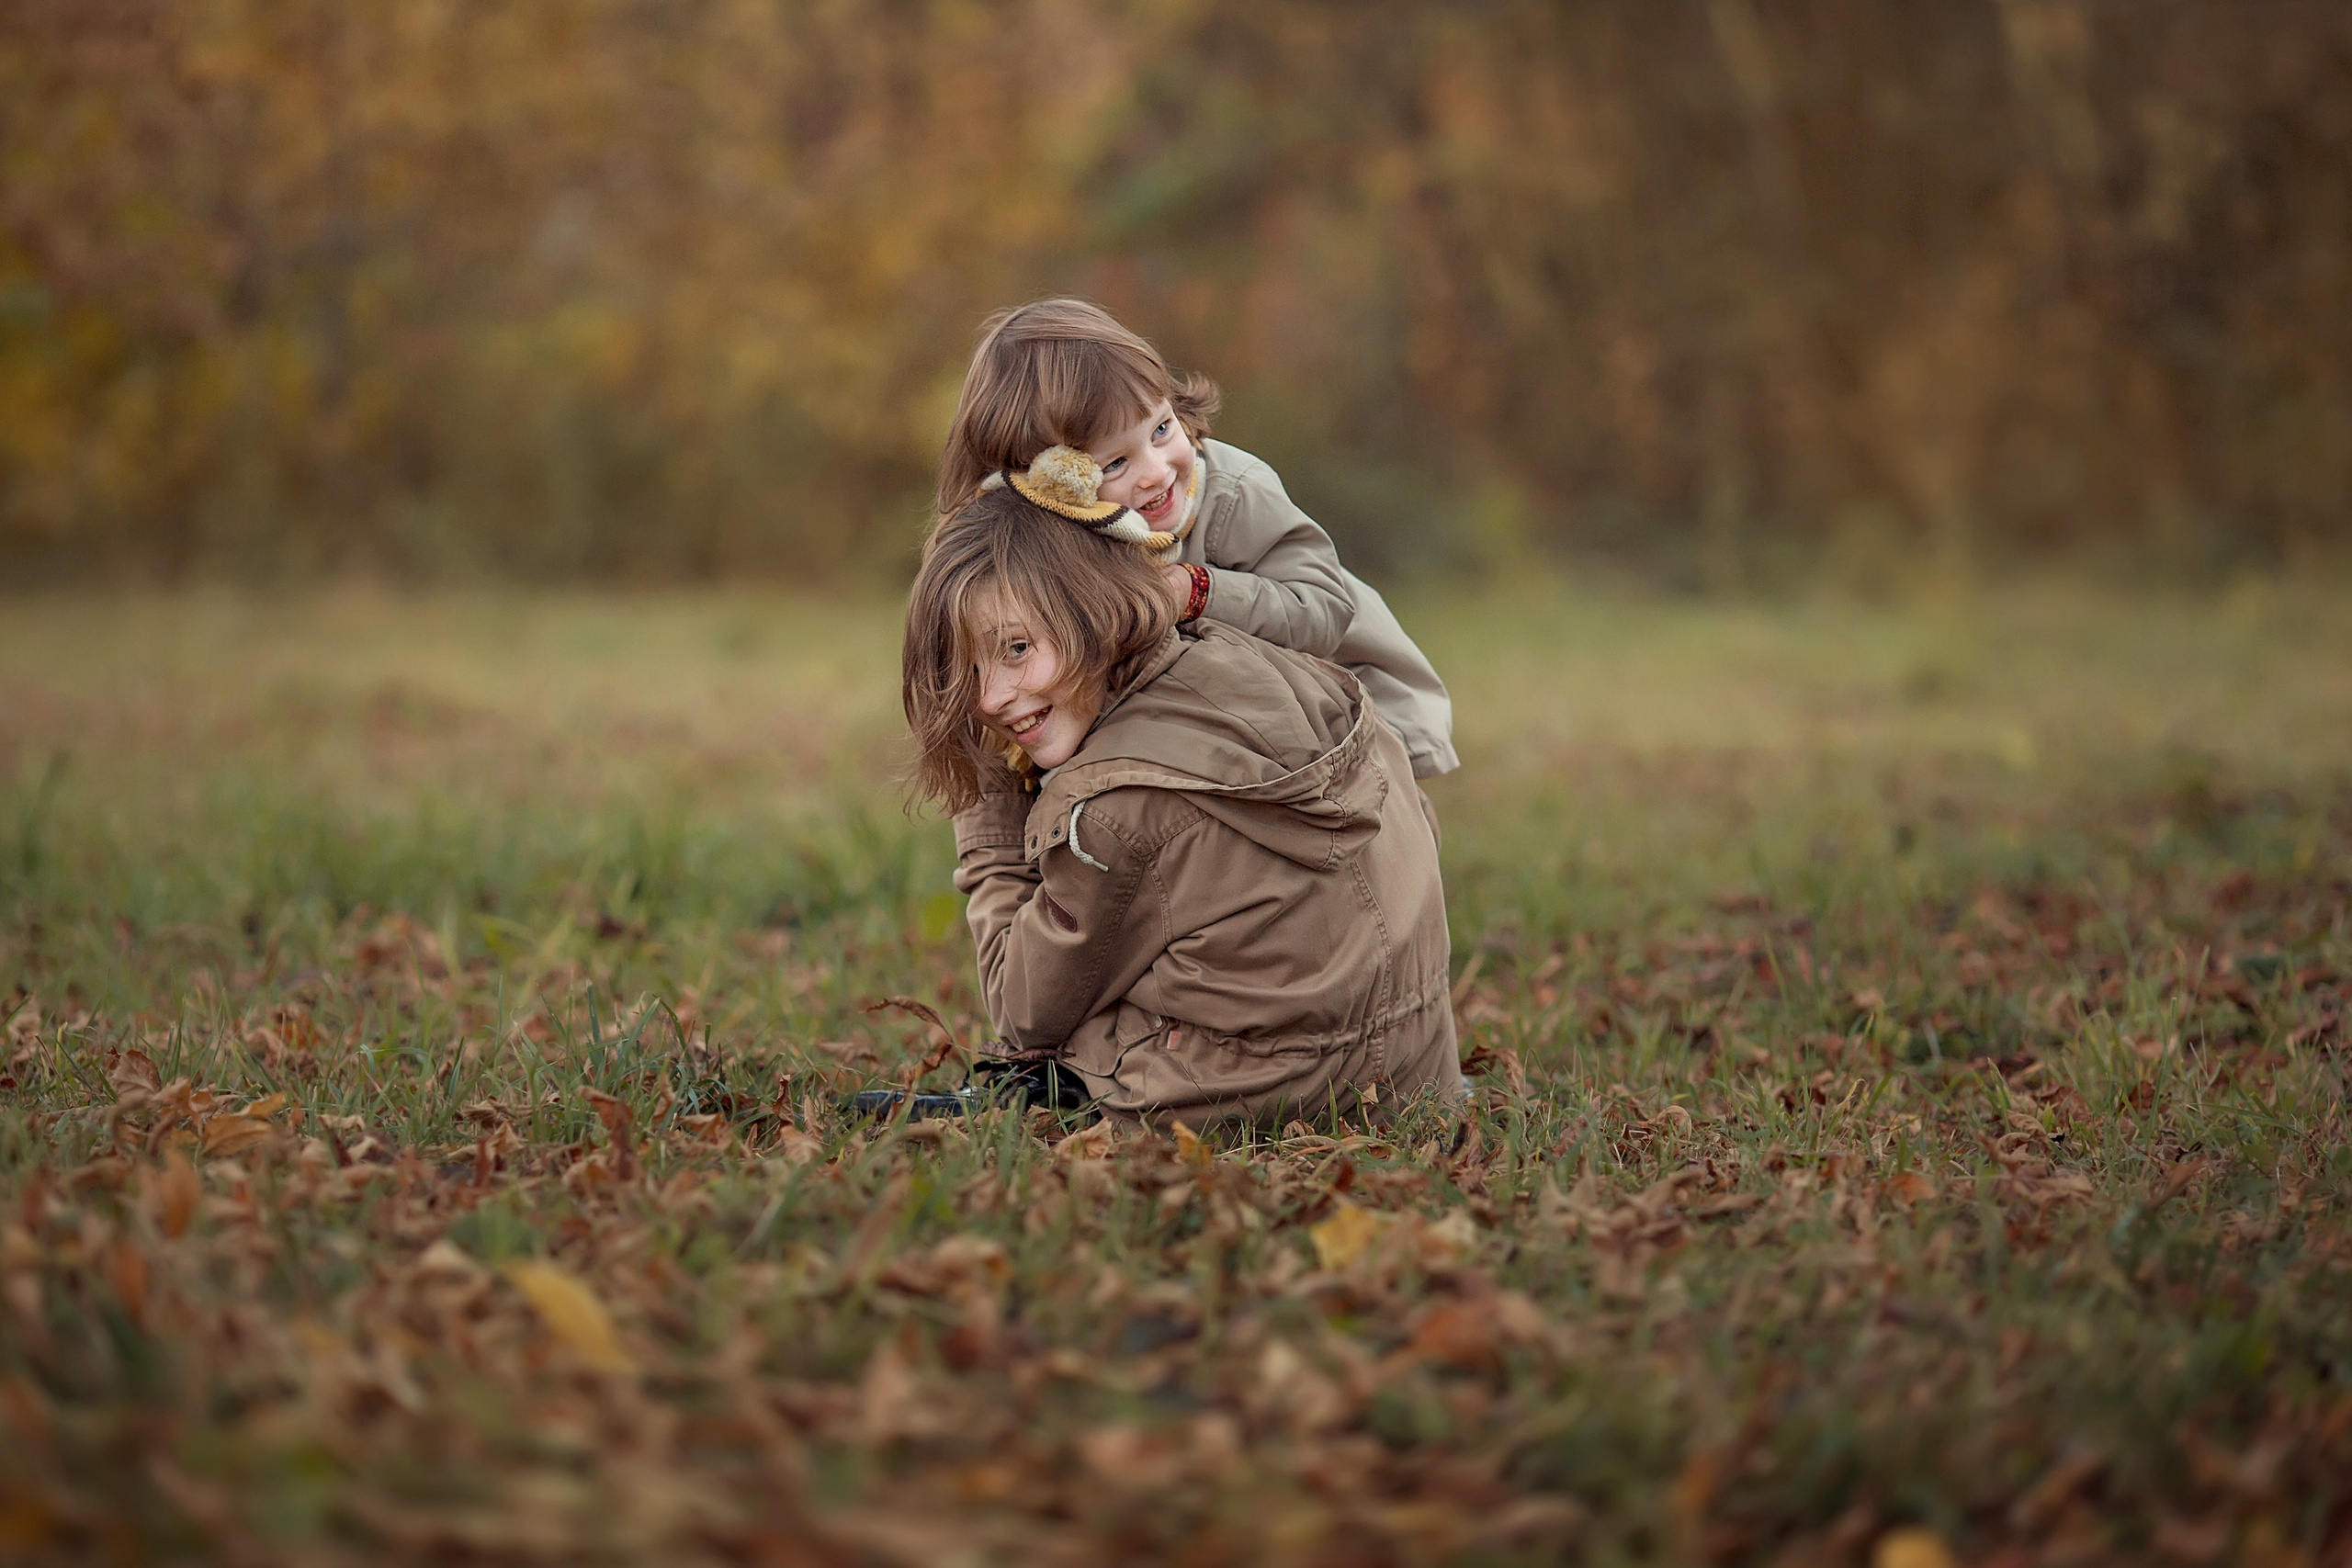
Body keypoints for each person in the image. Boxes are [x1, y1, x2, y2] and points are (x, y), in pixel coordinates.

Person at [902, 458, 1464, 1130]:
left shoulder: (1112, 808)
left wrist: (991, 800)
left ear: (1091, 606)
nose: (991, 697)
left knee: (1070, 1020)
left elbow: (1020, 1008)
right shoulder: (1263, 658)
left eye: (1017, 648)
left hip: (1261, 1099)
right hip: (1413, 1068)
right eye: (967, 671)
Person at [936, 298, 1459, 781]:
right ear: (1051, 485)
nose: (1156, 472)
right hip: (1244, 722)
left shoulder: (1233, 493)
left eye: (1161, 429)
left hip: (1360, 699)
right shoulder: (1053, 538)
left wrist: (1197, 591)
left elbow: (1323, 610)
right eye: (1115, 463)